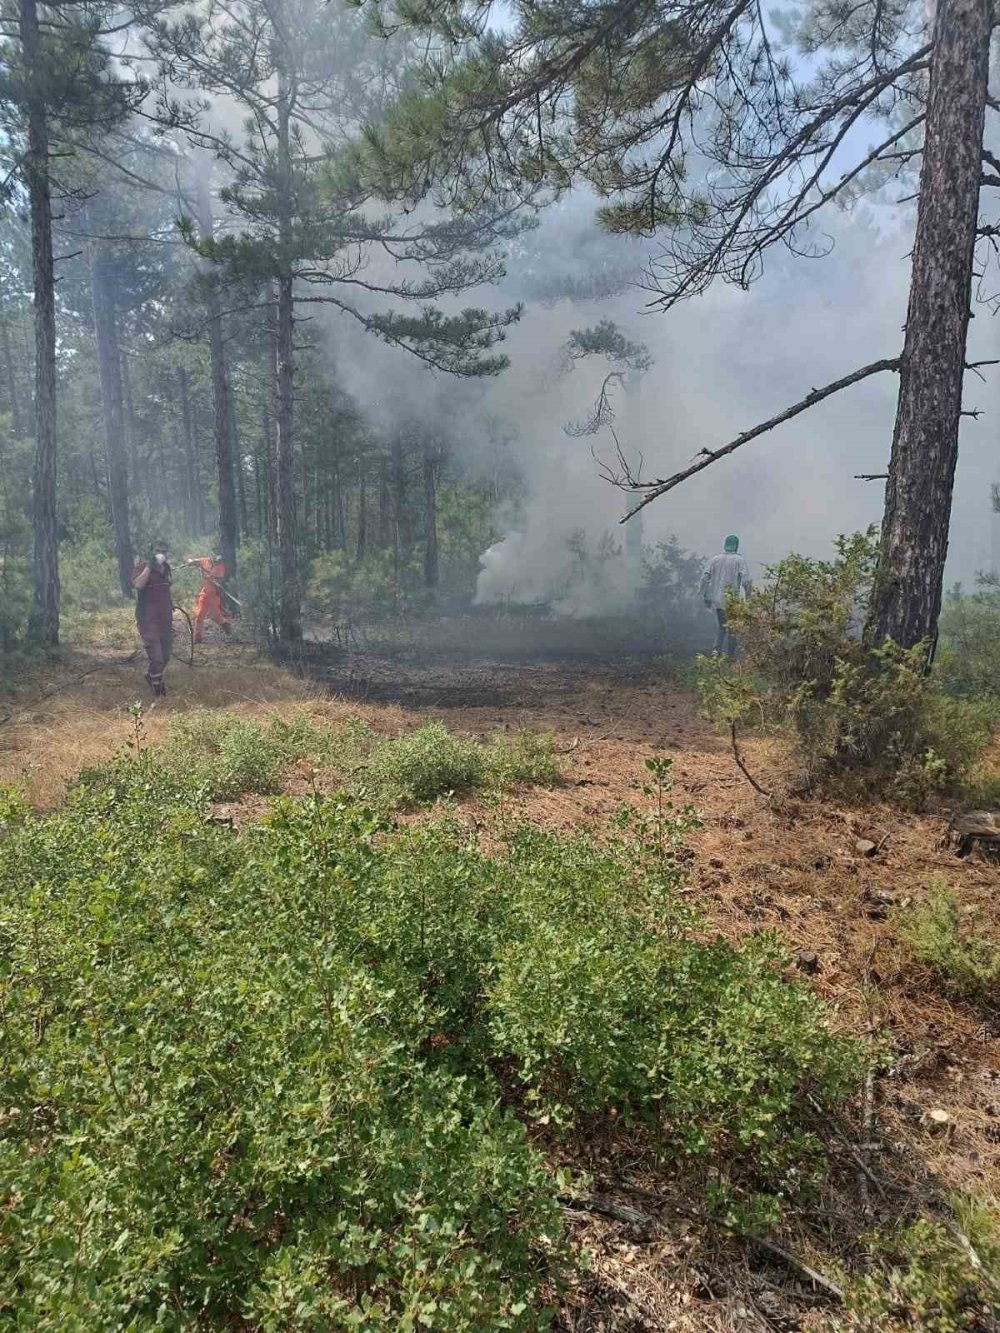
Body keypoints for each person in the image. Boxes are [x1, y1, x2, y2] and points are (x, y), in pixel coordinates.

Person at [700, 534, 753, 659]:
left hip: (718, 600)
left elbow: (704, 577)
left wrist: (705, 595)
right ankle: (730, 656)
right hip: (731, 601)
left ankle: (716, 651)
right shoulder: (739, 560)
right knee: (732, 628)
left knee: (722, 626)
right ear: (736, 546)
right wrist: (748, 598)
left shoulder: (715, 559)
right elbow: (746, 581)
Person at [132, 541, 174, 696]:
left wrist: (171, 605)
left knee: (166, 655)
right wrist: (150, 567)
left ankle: (151, 677)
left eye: (164, 551)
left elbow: (165, 590)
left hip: (165, 619)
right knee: (156, 657)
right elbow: (138, 585)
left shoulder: (166, 568)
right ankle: (159, 692)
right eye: (158, 551)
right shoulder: (142, 567)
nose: (161, 554)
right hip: (147, 620)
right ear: (152, 552)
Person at [187, 553, 232, 643]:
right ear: (212, 559)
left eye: (219, 562)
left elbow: (219, 580)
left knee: (215, 616)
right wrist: (191, 562)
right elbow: (195, 561)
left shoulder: (221, 566)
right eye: (215, 562)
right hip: (204, 594)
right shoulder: (205, 560)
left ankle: (225, 624)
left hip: (214, 595)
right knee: (199, 616)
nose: (217, 563)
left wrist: (214, 581)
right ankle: (198, 639)